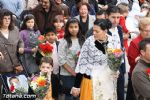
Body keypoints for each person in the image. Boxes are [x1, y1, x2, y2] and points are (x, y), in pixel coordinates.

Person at [71, 19, 119, 100]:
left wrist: (116, 71)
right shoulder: (89, 42)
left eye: (97, 31)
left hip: (107, 82)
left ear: (105, 31)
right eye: (93, 30)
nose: (94, 33)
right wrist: (76, 86)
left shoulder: (114, 40)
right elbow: (82, 64)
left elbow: (117, 60)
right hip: (91, 81)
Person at [58, 18, 85, 100]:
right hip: (67, 74)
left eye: (76, 27)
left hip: (80, 73)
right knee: (70, 96)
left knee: (78, 95)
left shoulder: (83, 40)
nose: (74, 29)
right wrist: (73, 72)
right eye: (71, 27)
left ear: (79, 28)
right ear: (67, 28)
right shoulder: (64, 41)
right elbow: (61, 60)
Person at [0, 9, 24, 96]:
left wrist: (21, 47)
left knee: (15, 91)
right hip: (2, 66)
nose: (7, 21)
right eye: (4, 18)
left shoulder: (15, 29)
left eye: (9, 18)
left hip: (15, 66)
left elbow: (20, 41)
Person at [127, 17, 150, 100]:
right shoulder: (135, 43)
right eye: (146, 31)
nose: (148, 33)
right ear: (140, 30)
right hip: (138, 76)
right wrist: (139, 59)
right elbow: (132, 62)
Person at [106, 5, 125, 100]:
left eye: (118, 17)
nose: (116, 20)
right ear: (107, 16)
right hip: (107, 66)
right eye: (113, 17)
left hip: (119, 64)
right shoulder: (103, 30)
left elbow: (120, 46)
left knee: (120, 92)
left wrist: (119, 64)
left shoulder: (119, 29)